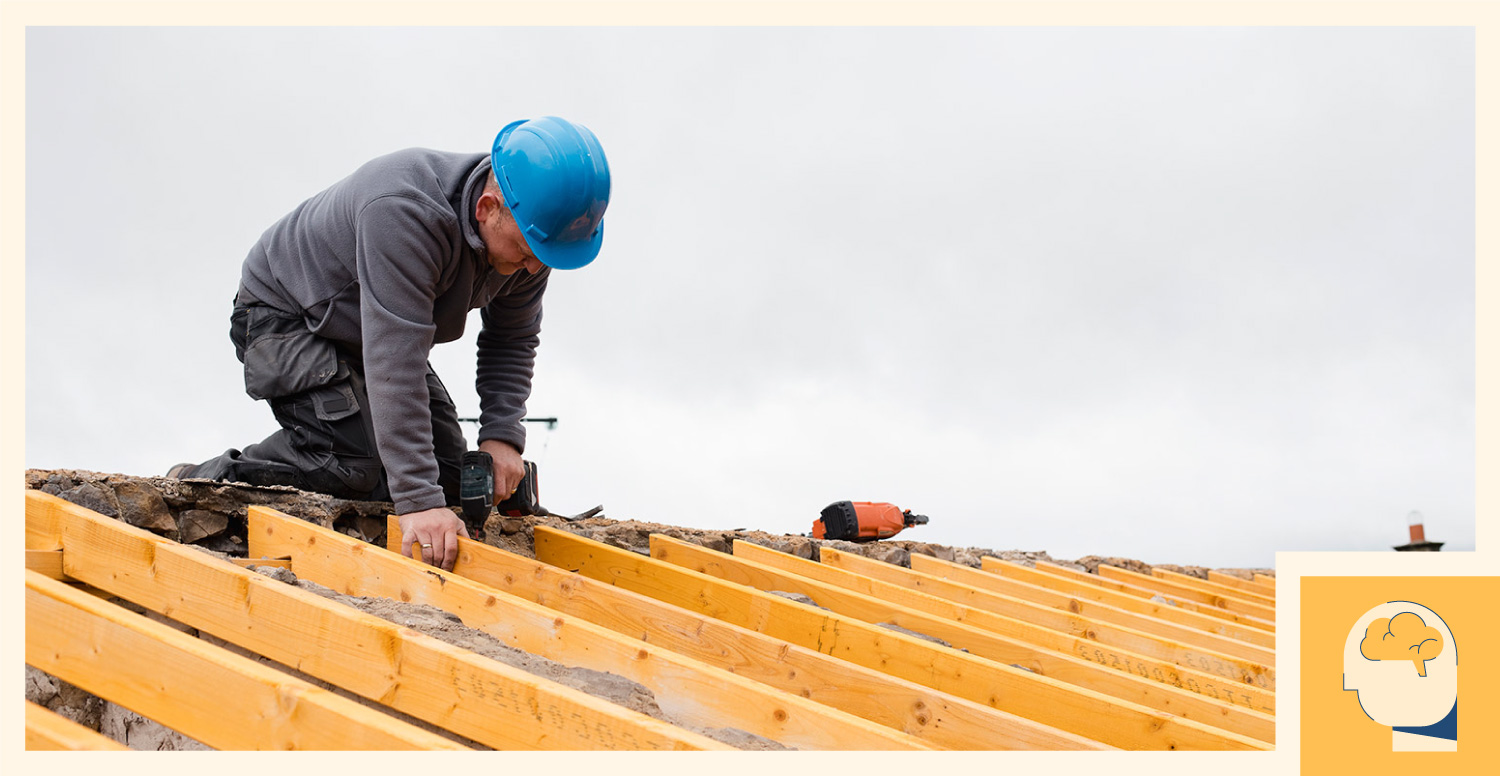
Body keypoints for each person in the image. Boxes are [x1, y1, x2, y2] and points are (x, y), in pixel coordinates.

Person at [171, 117, 610, 572]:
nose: (534, 269)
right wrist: (418, 504)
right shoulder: (404, 212)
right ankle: (206, 479)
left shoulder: (532, 241)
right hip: (286, 317)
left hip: (370, 330)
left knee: (453, 479)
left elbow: (512, 338)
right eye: (525, 251)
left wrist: (502, 437)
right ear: (486, 207)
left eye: (544, 257)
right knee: (358, 465)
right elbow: (395, 361)